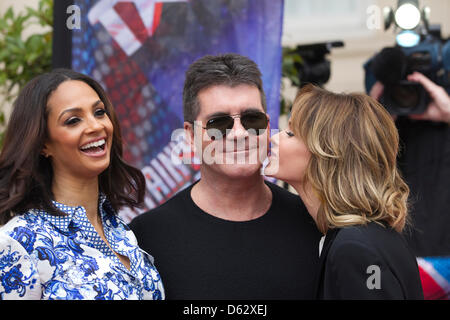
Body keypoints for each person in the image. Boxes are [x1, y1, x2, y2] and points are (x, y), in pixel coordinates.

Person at [129, 53, 322, 299]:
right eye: (219, 123)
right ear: (190, 135)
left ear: (267, 124)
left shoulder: (314, 221)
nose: (239, 134)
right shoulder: (148, 237)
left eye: (252, 119)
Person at [0, 69, 164, 300]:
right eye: (73, 120)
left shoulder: (121, 232)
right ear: (43, 144)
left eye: (99, 112)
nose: (96, 126)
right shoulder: (17, 243)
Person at [264, 84, 424, 299]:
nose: (275, 137)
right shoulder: (359, 237)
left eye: (291, 133)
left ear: (327, 154)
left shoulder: (355, 248)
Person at [369, 72, 450, 257]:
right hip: (397, 248)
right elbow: (358, 174)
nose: (406, 94)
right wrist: (374, 119)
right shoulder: (384, 134)